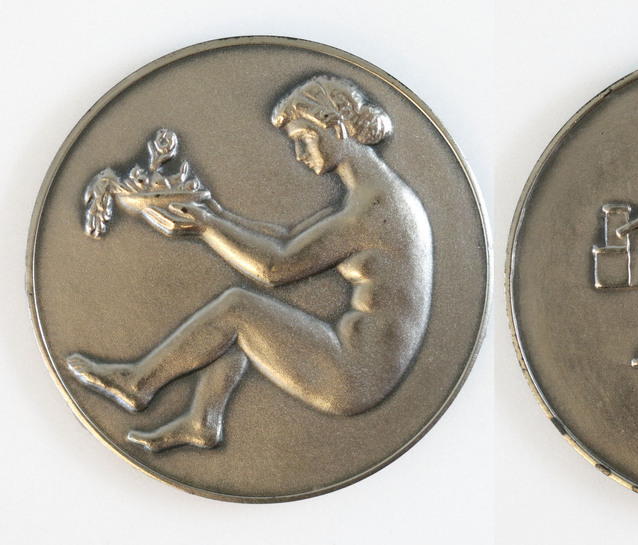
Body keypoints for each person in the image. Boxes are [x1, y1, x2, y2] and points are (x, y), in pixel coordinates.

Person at [67, 75, 433, 452]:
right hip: (359, 366)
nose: (299, 154)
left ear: (336, 127)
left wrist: (206, 227)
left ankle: (138, 383)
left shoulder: (375, 210)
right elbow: (286, 240)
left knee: (238, 309)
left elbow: (276, 268)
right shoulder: (376, 198)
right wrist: (214, 213)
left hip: (353, 375)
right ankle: (202, 421)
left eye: (304, 138)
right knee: (244, 328)